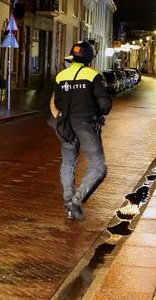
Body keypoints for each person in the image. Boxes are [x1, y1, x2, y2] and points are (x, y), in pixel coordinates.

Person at [50, 41, 111, 220]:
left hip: (66, 125)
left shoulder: (61, 76)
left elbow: (58, 103)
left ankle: (68, 202)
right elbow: (105, 105)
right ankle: (76, 199)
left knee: (68, 163)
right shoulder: (94, 75)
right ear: (89, 57)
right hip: (86, 125)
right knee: (98, 166)